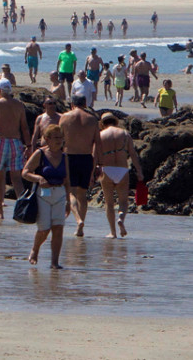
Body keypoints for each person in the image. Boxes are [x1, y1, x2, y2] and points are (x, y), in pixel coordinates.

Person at [22, 124, 70, 269]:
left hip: (60, 195)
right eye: (56, 138)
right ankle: (35, 249)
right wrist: (39, 179)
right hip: (43, 195)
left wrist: (68, 200)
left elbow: (67, 180)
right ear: (47, 139)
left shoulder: (64, 156)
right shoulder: (40, 154)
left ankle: (54, 262)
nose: (59, 140)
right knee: (44, 229)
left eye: (61, 137)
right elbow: (25, 172)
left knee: (58, 228)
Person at [0, 79, 30, 220]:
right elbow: (24, 127)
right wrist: (28, 145)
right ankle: (23, 211)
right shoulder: (19, 105)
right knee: (17, 179)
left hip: (0, 142)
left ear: (0, 90)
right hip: (16, 142)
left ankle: (0, 212)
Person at [59, 95, 101, 237]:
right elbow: (97, 144)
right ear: (85, 103)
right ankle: (80, 227)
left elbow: (59, 140)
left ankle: (78, 220)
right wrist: (95, 164)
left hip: (69, 157)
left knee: (70, 192)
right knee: (83, 194)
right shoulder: (92, 119)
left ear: (72, 104)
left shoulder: (65, 117)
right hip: (86, 158)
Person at [98, 113, 143, 239]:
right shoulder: (124, 134)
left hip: (106, 170)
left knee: (109, 203)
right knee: (123, 201)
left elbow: (94, 156)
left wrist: (92, 173)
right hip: (122, 170)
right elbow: (133, 154)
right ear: (116, 122)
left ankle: (113, 232)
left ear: (102, 123)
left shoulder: (100, 135)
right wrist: (139, 171)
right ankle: (121, 219)